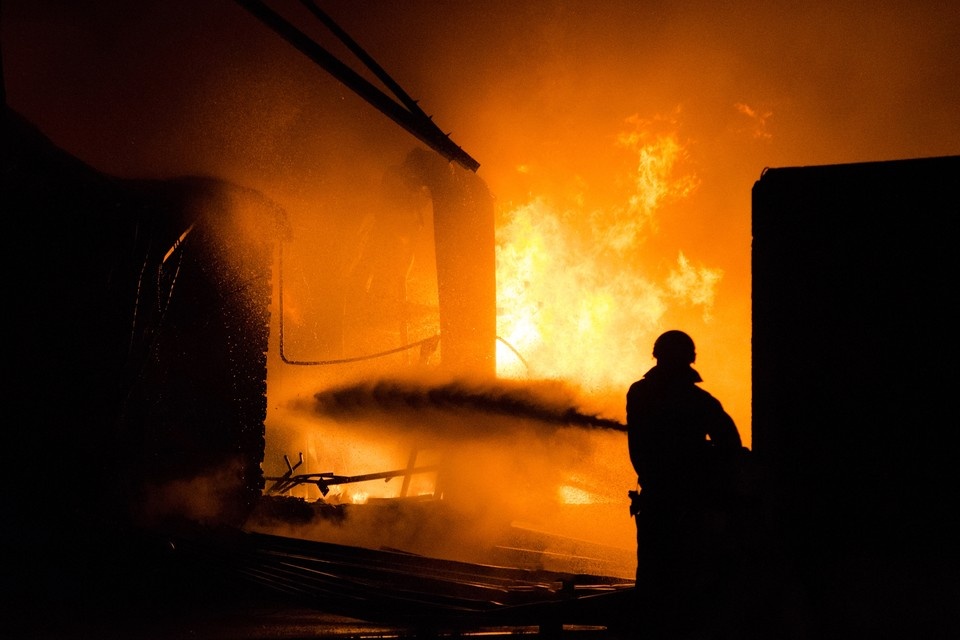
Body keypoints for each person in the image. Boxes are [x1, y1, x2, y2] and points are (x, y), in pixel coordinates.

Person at [625, 330, 743, 637]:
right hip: (693, 509)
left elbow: (641, 451)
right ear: (691, 360)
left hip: (658, 504)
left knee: (653, 582)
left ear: (656, 357)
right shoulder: (701, 402)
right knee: (691, 584)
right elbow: (731, 446)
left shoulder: (639, 394)